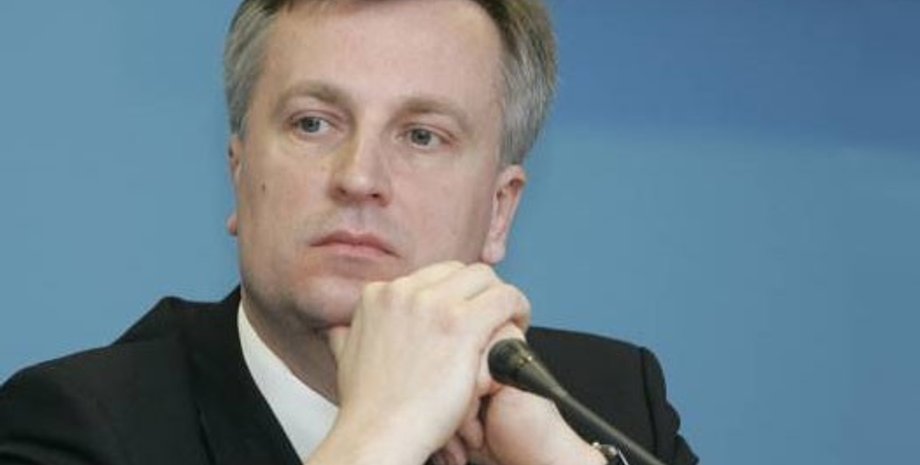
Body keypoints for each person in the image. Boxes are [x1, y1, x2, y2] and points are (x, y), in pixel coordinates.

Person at [0, 1, 697, 465]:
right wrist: (380, 432)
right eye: (313, 123)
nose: (359, 177)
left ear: (498, 211)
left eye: (422, 135)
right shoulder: (78, 426)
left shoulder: (607, 404)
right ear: (240, 175)